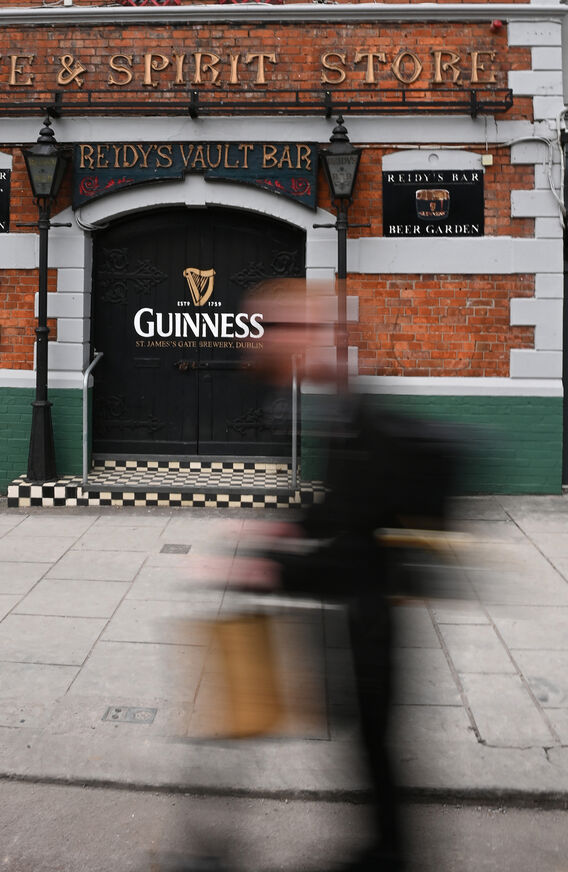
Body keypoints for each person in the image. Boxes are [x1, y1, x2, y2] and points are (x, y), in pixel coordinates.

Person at [232, 279, 458, 872]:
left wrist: (274, 571)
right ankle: (385, 849)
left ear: (314, 336)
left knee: (373, 737)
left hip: (372, 608)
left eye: (275, 329)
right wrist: (294, 527)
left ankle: (388, 854)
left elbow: (353, 548)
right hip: (366, 606)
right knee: (368, 738)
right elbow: (340, 507)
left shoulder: (364, 419)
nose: (262, 342)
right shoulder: (343, 409)